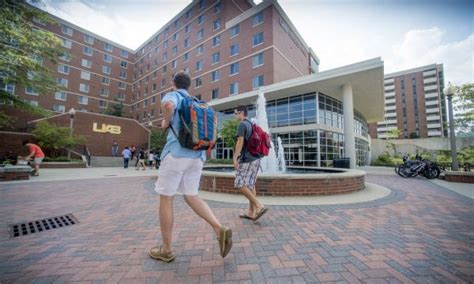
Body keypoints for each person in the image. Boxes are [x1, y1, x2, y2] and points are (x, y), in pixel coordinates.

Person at [149, 71, 232, 263]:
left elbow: (168, 106)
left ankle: (167, 249)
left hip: (177, 154)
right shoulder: (196, 101)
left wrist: (165, 122)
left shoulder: (173, 95)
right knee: (191, 196)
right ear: (189, 86)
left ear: (173, 84)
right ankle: (219, 228)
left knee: (166, 199)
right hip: (197, 155)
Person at [232, 105, 268, 221]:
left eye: (236, 113)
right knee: (250, 184)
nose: (235, 115)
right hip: (256, 159)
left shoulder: (242, 124)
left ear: (241, 113)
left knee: (239, 184)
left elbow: (240, 140)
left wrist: (235, 157)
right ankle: (251, 212)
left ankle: (259, 205)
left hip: (247, 159)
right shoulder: (252, 124)